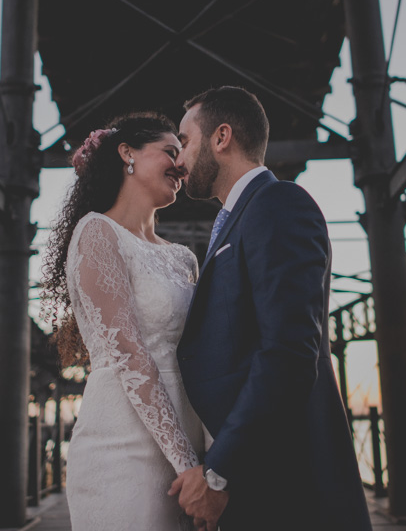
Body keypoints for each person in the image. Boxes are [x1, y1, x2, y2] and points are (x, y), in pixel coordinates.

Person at [169, 87, 372, 531]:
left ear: (221, 137)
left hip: (289, 486)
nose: (176, 160)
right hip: (259, 475)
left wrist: (219, 473)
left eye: (184, 141)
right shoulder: (240, 216)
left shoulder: (278, 204)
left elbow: (289, 351)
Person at [40, 112, 205, 530]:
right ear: (127, 153)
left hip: (191, 450)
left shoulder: (184, 259)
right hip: (122, 449)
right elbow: (129, 352)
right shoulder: (97, 232)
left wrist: (208, 462)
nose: (181, 165)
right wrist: (184, 461)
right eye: (170, 151)